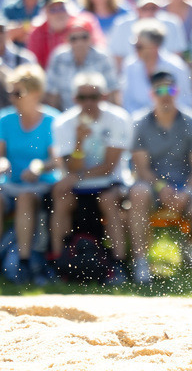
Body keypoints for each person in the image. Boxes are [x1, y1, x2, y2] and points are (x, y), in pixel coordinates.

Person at [127, 70, 192, 284]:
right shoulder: (139, 123)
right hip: (152, 188)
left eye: (170, 89)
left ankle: (188, 247)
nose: (165, 94)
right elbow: (141, 168)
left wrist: (186, 192)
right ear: (151, 94)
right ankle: (140, 260)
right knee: (138, 193)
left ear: (177, 92)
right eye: (159, 90)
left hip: (186, 188)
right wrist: (161, 188)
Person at [49, 72, 131, 279]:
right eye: (82, 97)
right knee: (61, 198)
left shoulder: (118, 119)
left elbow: (109, 167)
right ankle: (58, 263)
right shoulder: (64, 123)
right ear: (74, 98)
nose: (88, 103)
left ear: (104, 96)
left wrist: (77, 176)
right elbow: (70, 167)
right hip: (79, 186)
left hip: (110, 183)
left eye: (93, 97)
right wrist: (79, 142)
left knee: (108, 200)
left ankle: (119, 264)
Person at [0, 64, 59, 283]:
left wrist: (39, 167)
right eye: (11, 92)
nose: (12, 98)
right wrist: (3, 163)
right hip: (10, 184)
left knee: (25, 199)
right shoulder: (5, 119)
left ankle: (24, 264)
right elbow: (1, 155)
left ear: (35, 93)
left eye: (18, 93)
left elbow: (57, 161)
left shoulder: (52, 120)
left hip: (41, 186)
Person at [43, 19, 118, 110]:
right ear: (67, 39)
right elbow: (52, 93)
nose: (79, 42)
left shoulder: (102, 57)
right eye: (74, 39)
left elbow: (112, 91)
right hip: (66, 113)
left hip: (98, 113)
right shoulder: (59, 58)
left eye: (84, 37)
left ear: (91, 37)